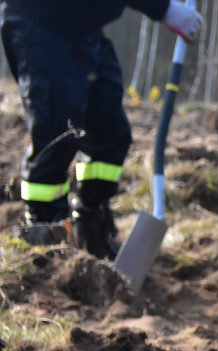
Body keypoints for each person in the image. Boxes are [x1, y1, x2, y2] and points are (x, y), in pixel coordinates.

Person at [1, 0, 202, 258]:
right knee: (57, 136)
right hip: (41, 22)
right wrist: (162, 8)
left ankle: (90, 226)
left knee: (110, 132)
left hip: (85, 26)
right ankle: (46, 238)